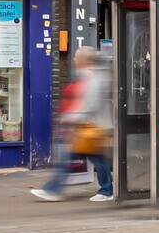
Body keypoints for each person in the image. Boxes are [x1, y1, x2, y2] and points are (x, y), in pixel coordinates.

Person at [32, 47, 114, 202]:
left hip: (95, 126)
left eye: (77, 57)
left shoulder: (95, 78)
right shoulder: (89, 76)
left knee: (84, 158)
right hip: (88, 126)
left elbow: (92, 104)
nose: (74, 60)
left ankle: (54, 190)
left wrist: (72, 116)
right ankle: (106, 190)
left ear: (85, 60)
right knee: (93, 159)